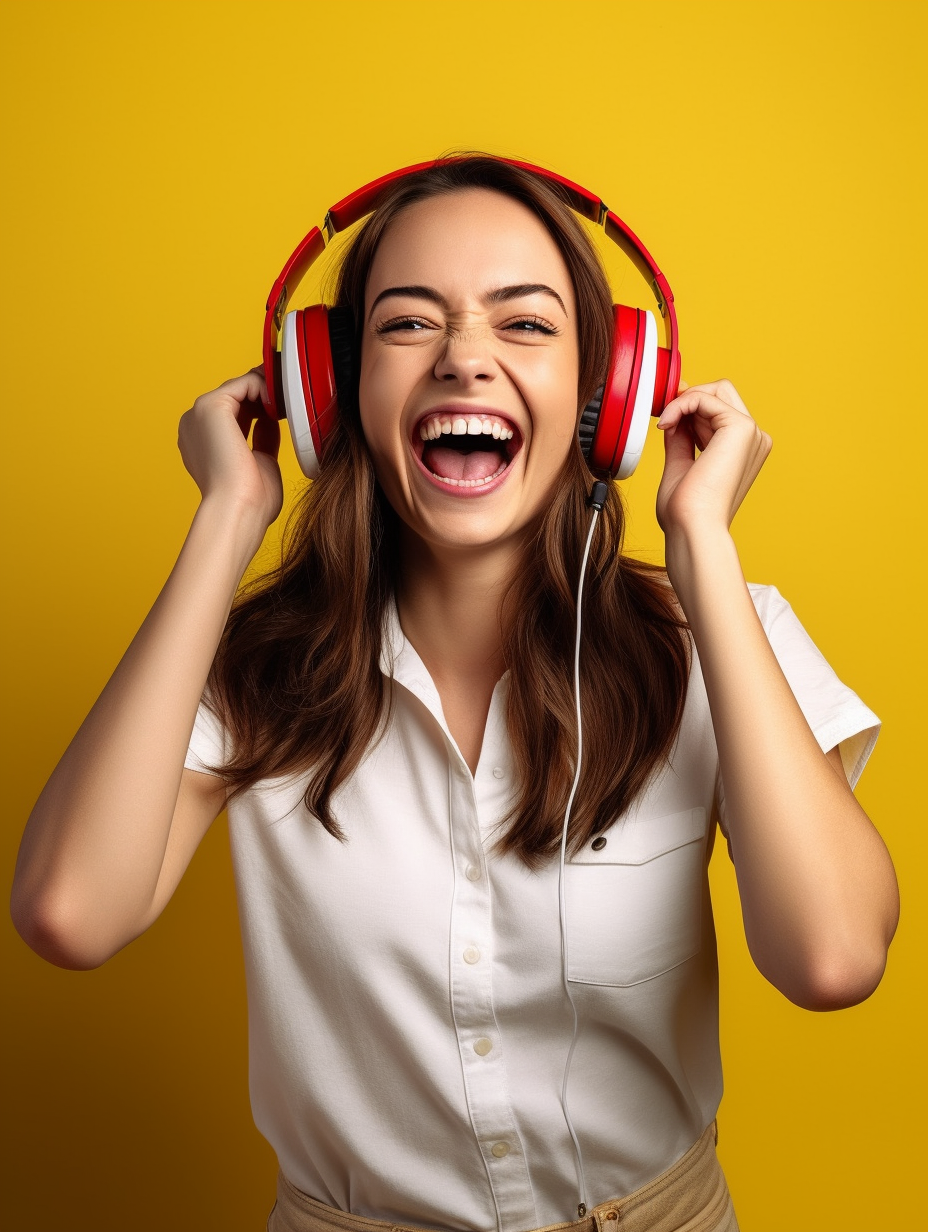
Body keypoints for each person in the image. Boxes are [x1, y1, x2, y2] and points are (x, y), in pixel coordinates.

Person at [12, 156, 898, 1232]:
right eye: (407, 323)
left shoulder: (719, 635)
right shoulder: (255, 663)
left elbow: (833, 956)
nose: (464, 359)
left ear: (604, 396)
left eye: (523, 325)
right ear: (327, 389)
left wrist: (702, 543)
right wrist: (225, 518)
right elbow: (69, 911)